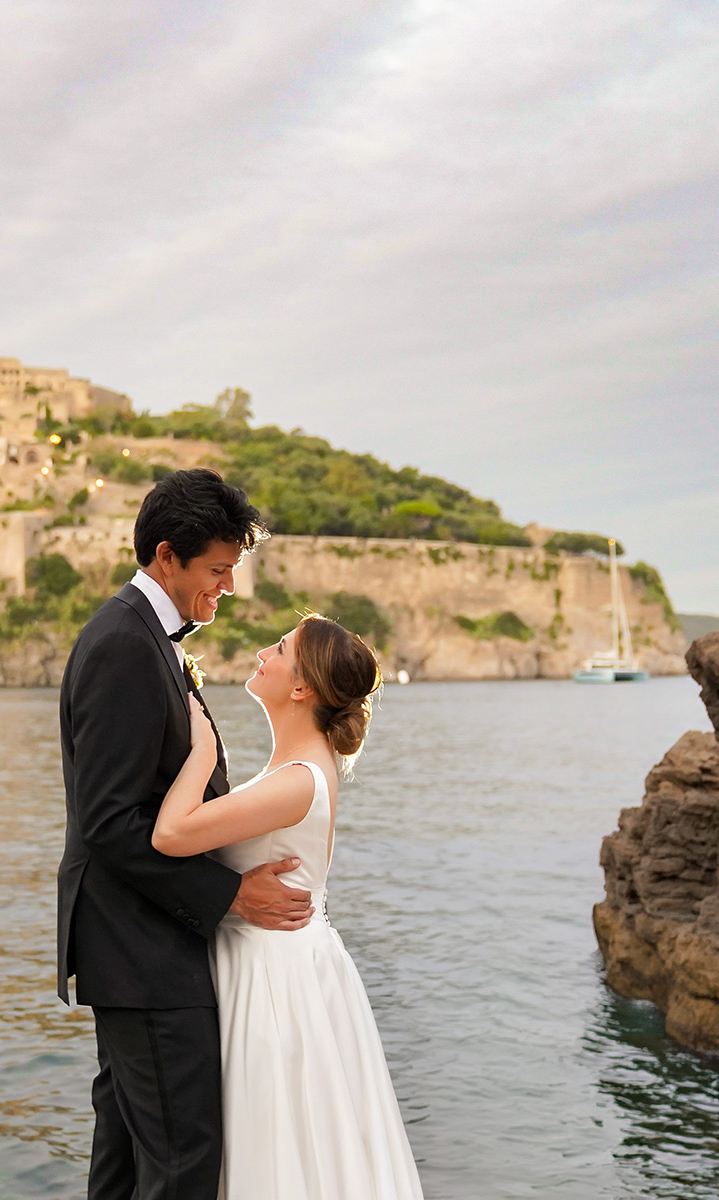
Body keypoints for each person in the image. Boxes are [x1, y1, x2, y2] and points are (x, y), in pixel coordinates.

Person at [57, 468, 315, 1200]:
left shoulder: (147, 636)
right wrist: (230, 896)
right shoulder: (124, 644)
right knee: (183, 1161)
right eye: (217, 570)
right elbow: (110, 823)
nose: (228, 586)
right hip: (143, 954)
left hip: (137, 948)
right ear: (166, 557)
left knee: (128, 1164)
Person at [152, 614, 425, 1199]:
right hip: (283, 963)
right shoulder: (295, 769)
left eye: (277, 649)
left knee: (278, 1143)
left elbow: (171, 835)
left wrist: (203, 750)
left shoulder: (297, 780)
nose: (261, 654)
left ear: (301, 687)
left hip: (276, 980)